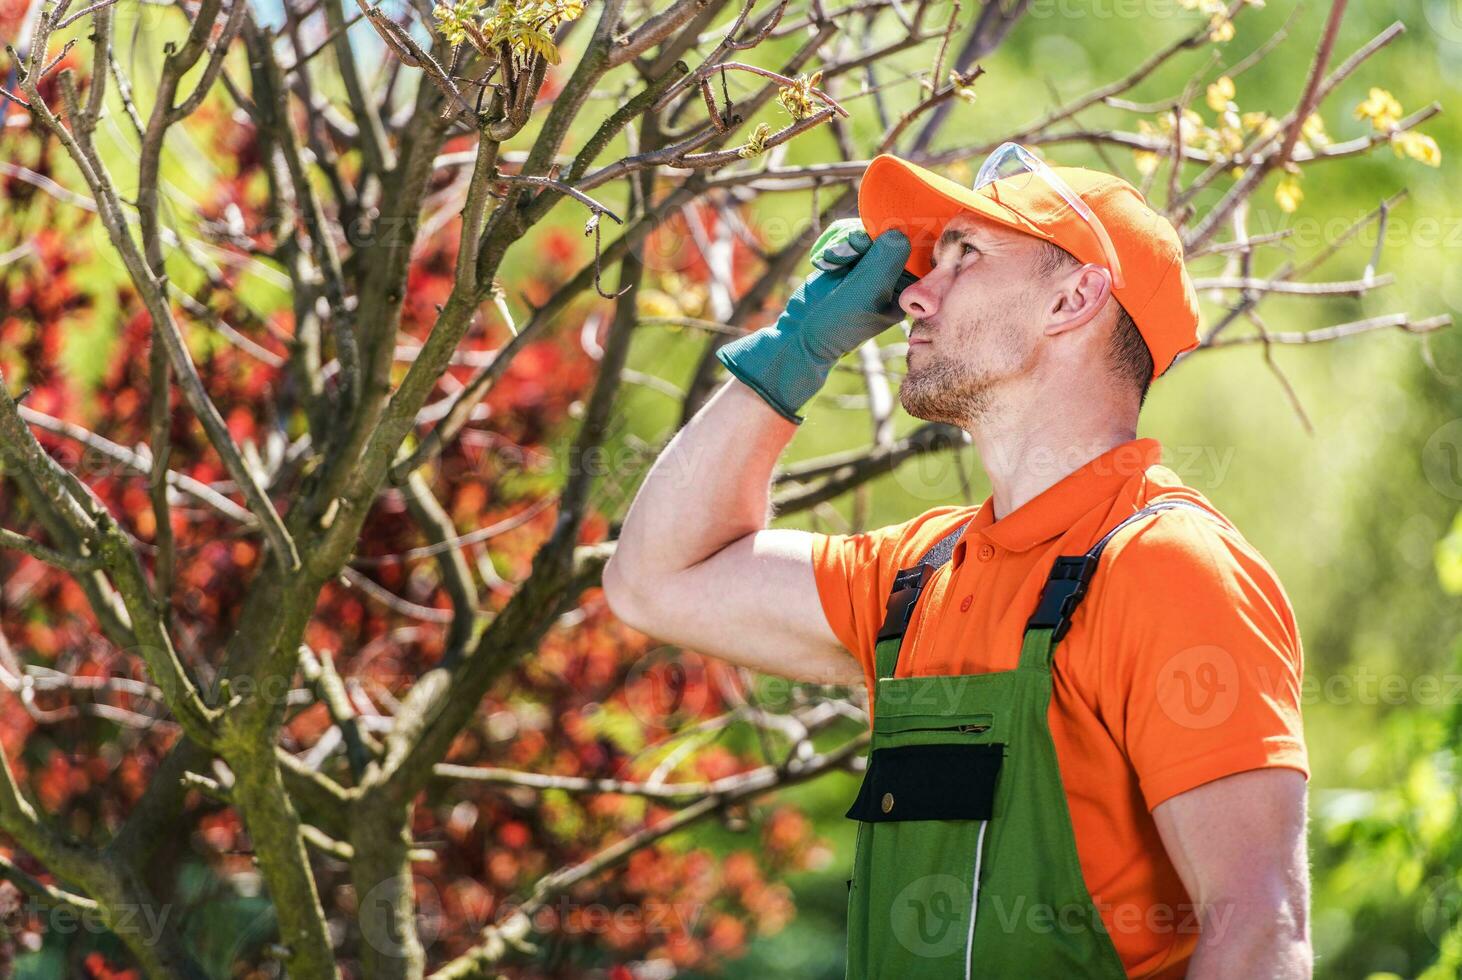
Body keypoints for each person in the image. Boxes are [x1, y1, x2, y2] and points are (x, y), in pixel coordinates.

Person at [603, 144, 1311, 979]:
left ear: (1075, 296)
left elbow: (1260, 931)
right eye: (928, 265)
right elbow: (655, 579)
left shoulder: (1169, 568)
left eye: (965, 256)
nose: (910, 292)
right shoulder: (918, 578)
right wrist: (789, 359)